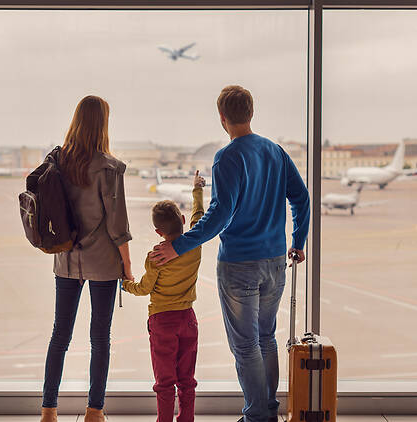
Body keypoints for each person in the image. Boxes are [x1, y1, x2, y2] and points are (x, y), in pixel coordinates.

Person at [150, 85, 310, 422]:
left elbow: (220, 215)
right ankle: (266, 412)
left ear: (222, 118)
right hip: (275, 262)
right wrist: (298, 240)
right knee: (266, 337)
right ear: (251, 113)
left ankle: (257, 417)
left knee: (246, 345)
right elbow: (302, 198)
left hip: (239, 265)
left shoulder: (227, 157)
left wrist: (178, 245)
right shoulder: (275, 152)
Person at [41, 95, 133, 422]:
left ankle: (49, 410)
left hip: (65, 259)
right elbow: (117, 224)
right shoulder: (110, 168)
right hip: (103, 262)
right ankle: (95, 410)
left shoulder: (57, 161)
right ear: (103, 123)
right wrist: (128, 265)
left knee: (60, 335)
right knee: (100, 337)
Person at [121, 171, 206, 422]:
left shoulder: (155, 256)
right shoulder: (195, 244)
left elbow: (145, 288)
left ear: (158, 232)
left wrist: (127, 285)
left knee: (165, 381)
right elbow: (199, 217)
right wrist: (197, 189)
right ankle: (186, 419)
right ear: (181, 218)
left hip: (162, 322)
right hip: (188, 319)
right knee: (187, 379)